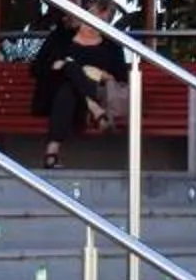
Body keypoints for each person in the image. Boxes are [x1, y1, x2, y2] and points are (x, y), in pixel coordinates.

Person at [29, 14, 128, 167]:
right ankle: (96, 110)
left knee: (69, 84)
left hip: (80, 101)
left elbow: (120, 78)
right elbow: (36, 69)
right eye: (89, 18)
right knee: (69, 69)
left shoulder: (111, 44)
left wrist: (100, 74)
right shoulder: (61, 37)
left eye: (99, 22)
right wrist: (55, 67)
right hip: (52, 97)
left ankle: (52, 151)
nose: (91, 24)